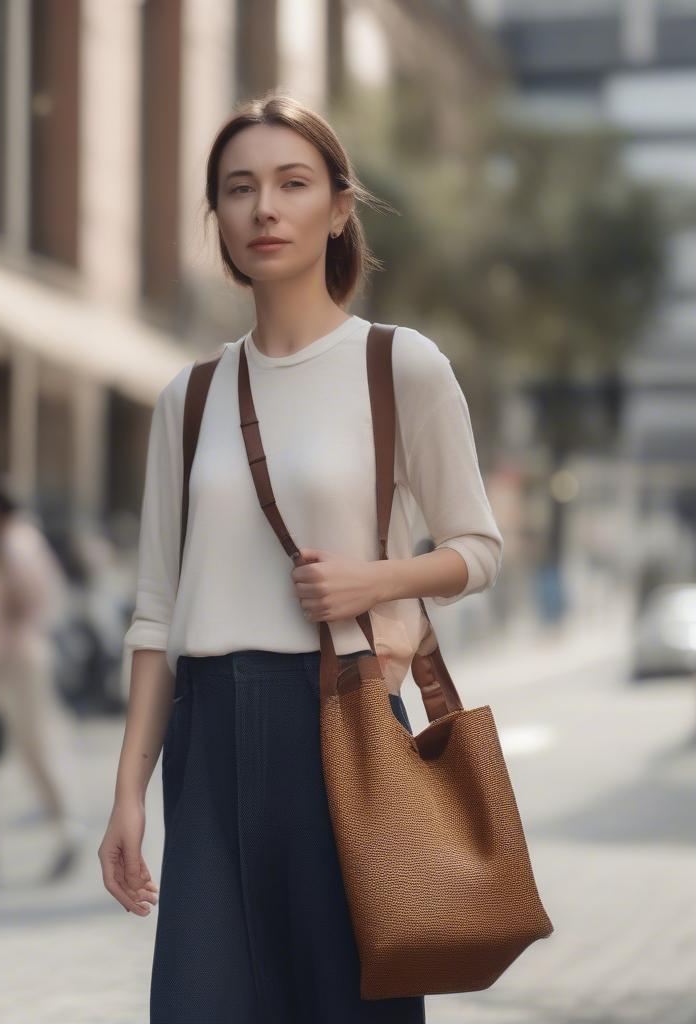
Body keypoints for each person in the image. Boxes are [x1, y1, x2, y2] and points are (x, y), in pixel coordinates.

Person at [98, 93, 505, 1023]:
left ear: (336, 208)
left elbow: (478, 548)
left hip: (343, 723)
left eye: (291, 183)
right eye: (239, 190)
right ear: (219, 220)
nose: (264, 209)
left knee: (346, 1006)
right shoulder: (189, 398)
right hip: (204, 747)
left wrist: (379, 580)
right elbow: (155, 612)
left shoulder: (399, 367)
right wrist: (129, 792)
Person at [0, 479, 84, 888]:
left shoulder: (24, 542)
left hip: (25, 658)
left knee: (36, 747)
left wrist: (7, 561)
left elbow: (38, 602)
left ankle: (67, 831)